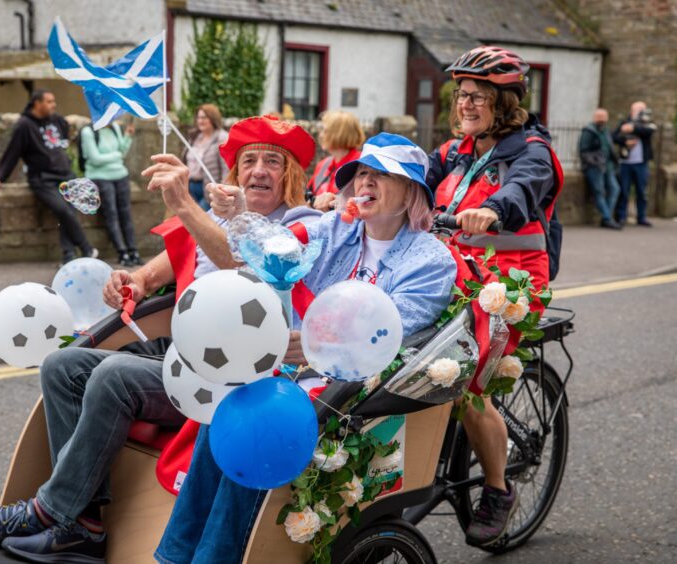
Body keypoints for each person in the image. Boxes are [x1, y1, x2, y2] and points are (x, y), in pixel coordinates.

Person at [0, 115, 319, 564]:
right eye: (249, 161)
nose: (258, 170)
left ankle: (49, 512)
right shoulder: (222, 220)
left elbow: (241, 263)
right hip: (182, 352)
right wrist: (135, 280)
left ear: (293, 176)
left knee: (114, 375)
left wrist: (185, 204)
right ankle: (83, 524)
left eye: (273, 162)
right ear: (236, 173)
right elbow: (164, 264)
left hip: (230, 375)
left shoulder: (301, 225)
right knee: (64, 365)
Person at [154, 133, 457, 564]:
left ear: (411, 191)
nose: (365, 184)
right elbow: (271, 249)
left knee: (258, 426)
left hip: (358, 394)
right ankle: (176, 553)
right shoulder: (337, 228)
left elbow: (394, 334)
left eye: (381, 176)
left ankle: (213, 558)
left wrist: (317, 346)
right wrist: (235, 214)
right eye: (362, 175)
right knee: (227, 406)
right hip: (295, 374)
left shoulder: (430, 260)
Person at [426, 45, 562, 547]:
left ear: (504, 102)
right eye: (461, 95)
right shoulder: (453, 152)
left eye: (478, 96)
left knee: (466, 376)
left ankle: (499, 490)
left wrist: (495, 210)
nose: (466, 104)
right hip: (453, 275)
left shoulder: (532, 151)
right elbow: (414, 185)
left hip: (511, 287)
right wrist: (364, 192)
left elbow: (524, 190)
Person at [0, 90, 97, 264]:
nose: (53, 105)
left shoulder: (58, 120)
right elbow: (13, 152)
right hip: (42, 179)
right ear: (37, 103)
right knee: (63, 210)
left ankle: (69, 257)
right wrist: (0, 178)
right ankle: (86, 248)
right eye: (49, 101)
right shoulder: (24, 125)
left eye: (53, 101)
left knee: (69, 213)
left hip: (66, 175)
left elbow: (62, 142)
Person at [80, 120, 143, 265]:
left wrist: (127, 137)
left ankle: (133, 251)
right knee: (111, 214)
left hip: (120, 175)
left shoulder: (115, 127)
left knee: (126, 214)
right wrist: (116, 156)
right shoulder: (88, 131)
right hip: (100, 177)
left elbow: (123, 152)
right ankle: (122, 253)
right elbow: (95, 159)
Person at [306, 110, 364, 211]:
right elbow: (308, 197)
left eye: (325, 131)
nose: (320, 135)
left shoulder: (362, 165)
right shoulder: (323, 164)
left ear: (339, 133)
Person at [612, 101, 656, 227]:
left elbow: (649, 131)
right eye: (639, 109)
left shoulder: (647, 123)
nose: (642, 112)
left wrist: (634, 128)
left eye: (643, 109)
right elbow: (613, 136)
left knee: (641, 191)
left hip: (641, 163)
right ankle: (621, 216)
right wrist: (625, 141)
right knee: (624, 191)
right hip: (625, 163)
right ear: (632, 110)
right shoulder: (624, 122)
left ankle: (641, 217)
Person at [579, 109, 622, 229]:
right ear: (594, 118)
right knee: (599, 192)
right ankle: (608, 218)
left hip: (608, 166)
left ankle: (606, 217)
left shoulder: (606, 131)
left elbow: (610, 147)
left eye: (604, 118)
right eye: (599, 118)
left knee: (615, 189)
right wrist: (595, 162)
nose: (602, 120)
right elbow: (584, 151)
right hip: (595, 167)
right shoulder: (589, 131)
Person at [184, 103, 229, 210]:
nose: (200, 121)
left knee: (201, 221)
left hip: (209, 190)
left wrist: (222, 191)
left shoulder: (222, 138)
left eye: (204, 117)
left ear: (213, 118)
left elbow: (226, 168)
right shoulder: (195, 137)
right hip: (191, 187)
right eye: (198, 117)